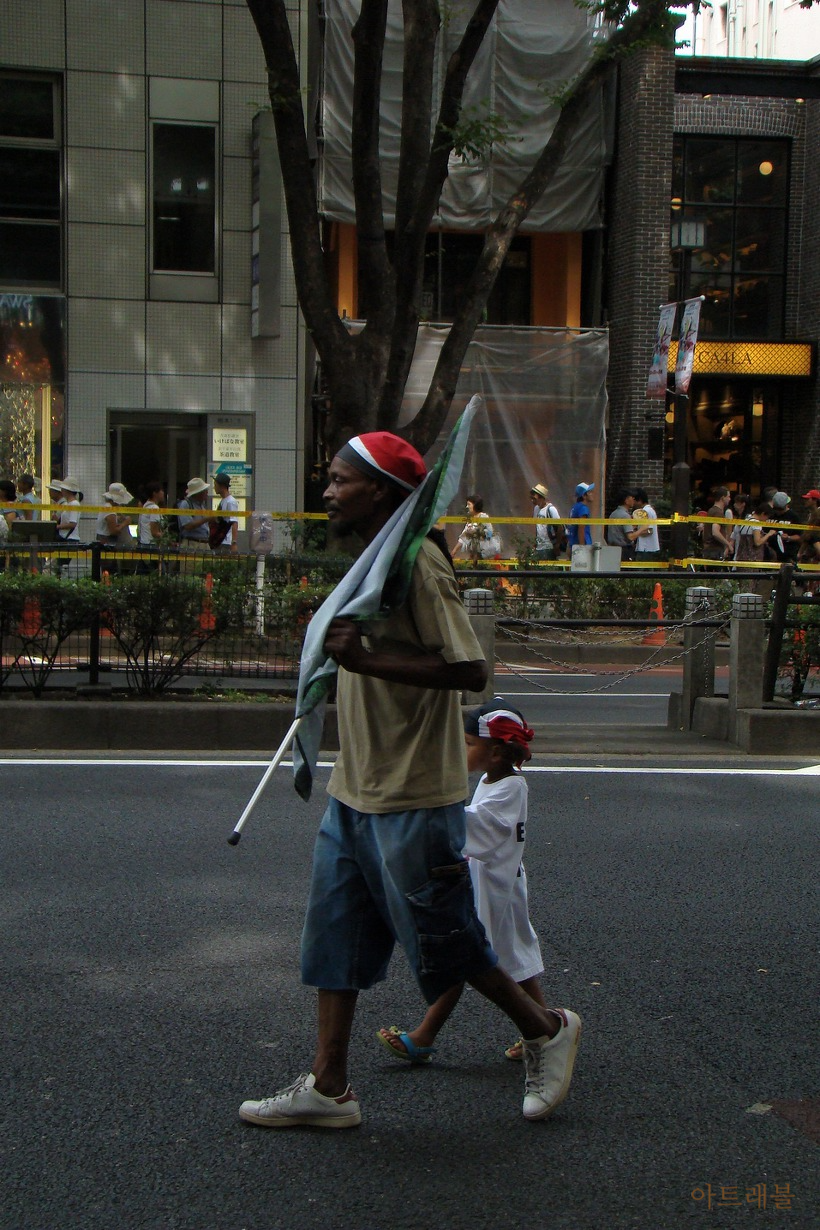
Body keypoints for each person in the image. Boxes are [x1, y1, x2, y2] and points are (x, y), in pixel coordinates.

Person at [239, 431, 581, 1130]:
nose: (328, 492)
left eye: (340, 480)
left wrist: (365, 662)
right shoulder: (373, 559)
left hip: (414, 794)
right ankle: (329, 1086)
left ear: (384, 491)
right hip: (353, 788)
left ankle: (546, 1027)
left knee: (446, 938)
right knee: (333, 937)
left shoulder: (419, 563)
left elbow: (469, 671)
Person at [376, 697, 548, 1066]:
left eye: (469, 744)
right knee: (513, 960)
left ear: (497, 751)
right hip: (495, 880)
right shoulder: (494, 779)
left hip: (494, 884)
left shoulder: (512, 787)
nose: (462, 750)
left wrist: (439, 810)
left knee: (466, 956)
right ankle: (544, 1028)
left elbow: (483, 829)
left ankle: (424, 1035)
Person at [455, 494, 500, 559]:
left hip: (484, 552)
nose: (467, 507)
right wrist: (454, 551)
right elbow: (463, 536)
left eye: (469, 504)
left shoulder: (483, 517)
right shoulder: (470, 519)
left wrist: (478, 533)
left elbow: (490, 533)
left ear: (475, 505)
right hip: (474, 552)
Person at [606, 490, 645, 562]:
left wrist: (633, 527)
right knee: (626, 572)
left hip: (613, 549)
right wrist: (642, 529)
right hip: (624, 551)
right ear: (626, 500)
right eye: (631, 497)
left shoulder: (613, 514)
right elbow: (630, 537)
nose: (633, 499)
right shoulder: (625, 516)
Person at [530, 483, 564, 561]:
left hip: (549, 546)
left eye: (534, 498)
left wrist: (557, 545)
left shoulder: (551, 509)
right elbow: (537, 527)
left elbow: (560, 527)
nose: (532, 500)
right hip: (539, 546)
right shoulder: (536, 509)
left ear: (541, 498)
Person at [177, 477, 211, 552]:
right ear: (199, 492)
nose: (207, 492)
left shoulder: (202, 506)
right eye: (205, 490)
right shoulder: (185, 504)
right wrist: (207, 519)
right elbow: (188, 526)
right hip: (192, 544)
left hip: (204, 543)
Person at [96, 482, 134, 548]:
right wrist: (125, 523)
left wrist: (118, 518)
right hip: (107, 543)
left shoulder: (106, 507)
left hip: (102, 540)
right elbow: (114, 531)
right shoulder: (110, 510)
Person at [701, 487, 733, 561]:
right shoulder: (718, 513)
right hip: (715, 551)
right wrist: (728, 544)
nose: (729, 499)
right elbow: (715, 532)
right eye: (728, 496)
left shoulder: (711, 510)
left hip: (708, 549)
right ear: (722, 498)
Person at [212, 471, 240, 553]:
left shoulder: (231, 502)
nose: (214, 487)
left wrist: (234, 542)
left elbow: (234, 521)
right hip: (220, 539)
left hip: (226, 541)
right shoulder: (223, 501)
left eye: (215, 485)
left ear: (222, 486)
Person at [633, 488, 660, 561]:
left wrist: (635, 533)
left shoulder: (645, 512)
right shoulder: (651, 510)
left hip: (645, 548)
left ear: (640, 500)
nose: (633, 503)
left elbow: (649, 530)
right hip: (650, 547)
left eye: (635, 500)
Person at [566, 482, 594, 552]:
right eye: (589, 492)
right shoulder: (583, 508)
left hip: (572, 543)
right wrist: (582, 547)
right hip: (581, 544)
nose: (592, 494)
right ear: (584, 496)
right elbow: (581, 528)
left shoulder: (575, 507)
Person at [55, 478, 82, 542]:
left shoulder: (74, 504)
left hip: (71, 539)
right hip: (64, 537)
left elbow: (72, 524)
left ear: (67, 490)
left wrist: (57, 527)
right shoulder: (68, 504)